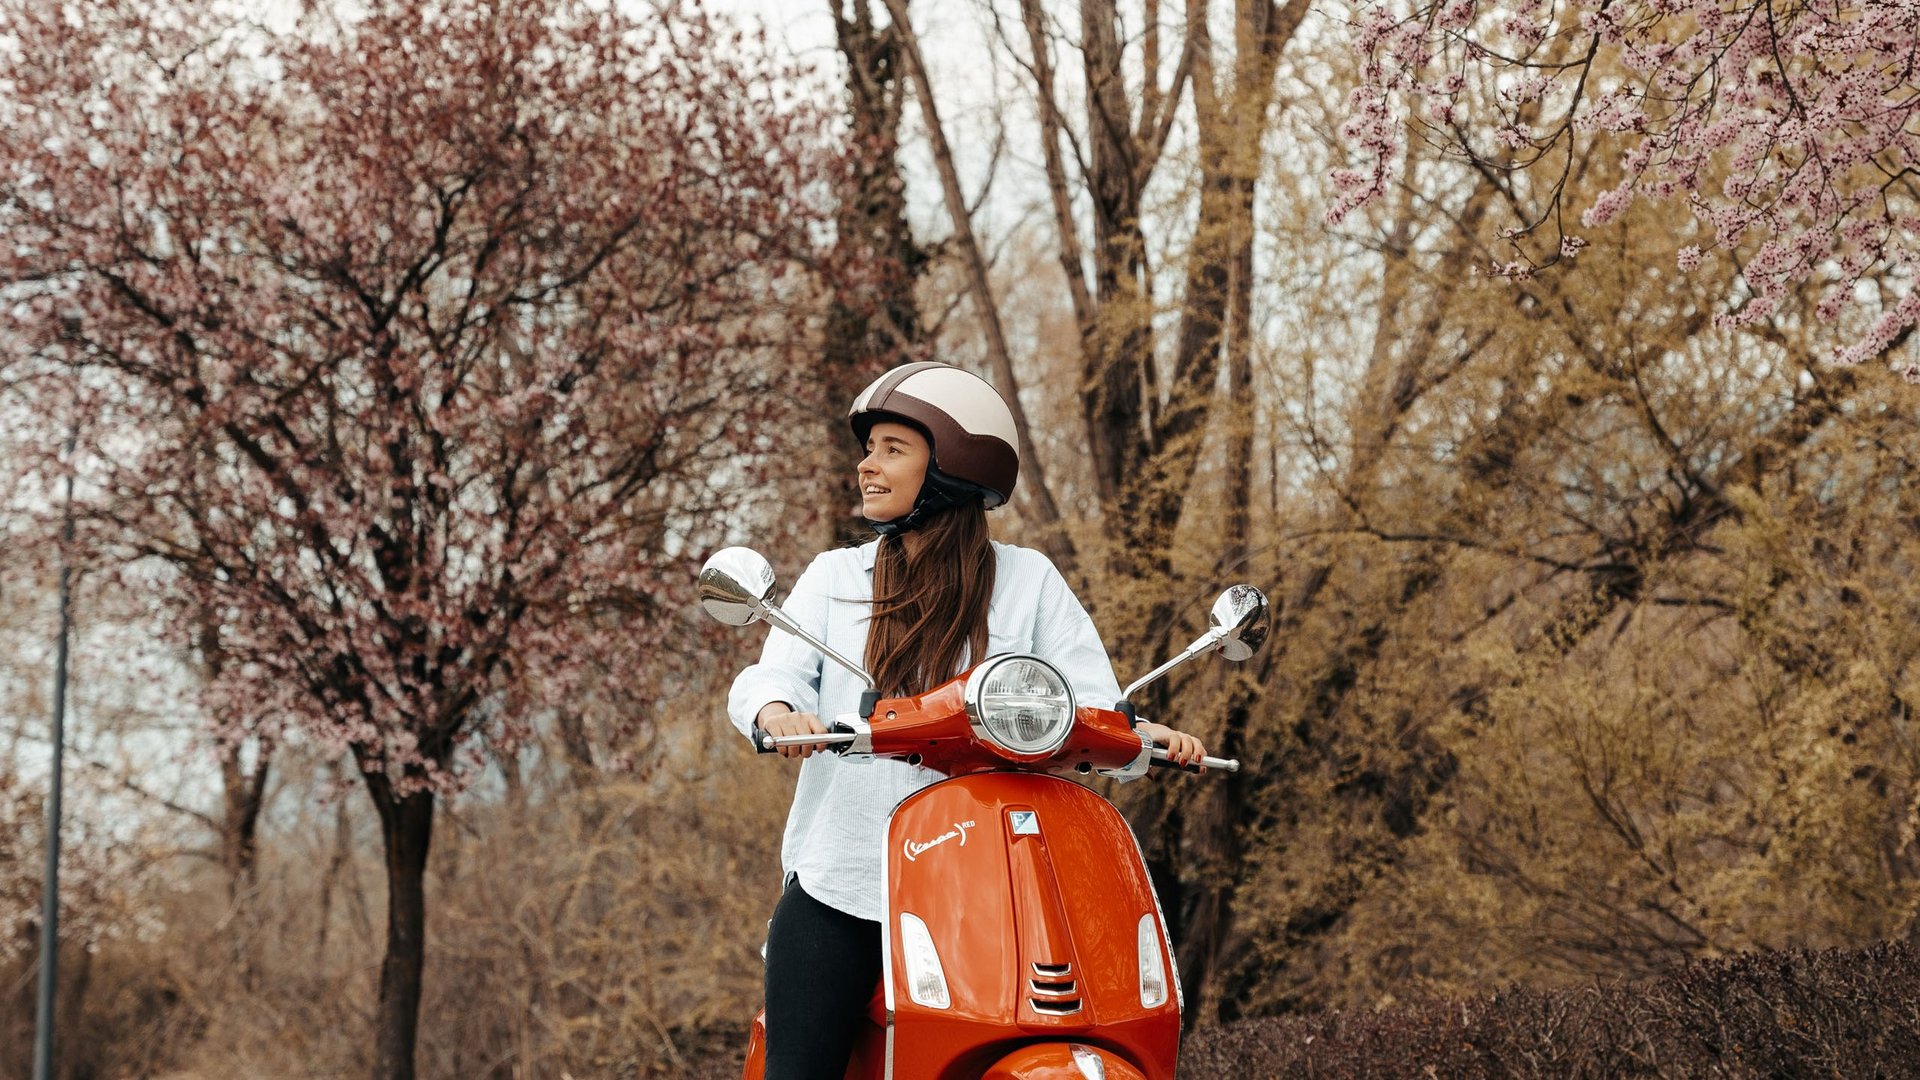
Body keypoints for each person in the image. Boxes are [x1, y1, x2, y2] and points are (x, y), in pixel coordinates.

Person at [726, 361, 1210, 1080]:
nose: (867, 466)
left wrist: (1139, 735)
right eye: (871, 448)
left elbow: (1092, 702)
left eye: (893, 448)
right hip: (848, 880)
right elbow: (775, 673)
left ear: (952, 465)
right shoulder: (837, 578)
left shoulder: (1028, 581)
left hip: (988, 892)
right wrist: (776, 710)